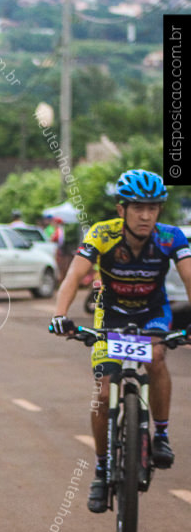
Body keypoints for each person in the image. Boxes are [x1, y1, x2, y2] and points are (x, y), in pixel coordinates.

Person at [50, 169, 191, 513]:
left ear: (160, 211)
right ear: (121, 209)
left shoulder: (171, 238)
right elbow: (74, 276)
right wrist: (59, 314)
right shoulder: (103, 234)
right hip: (110, 313)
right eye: (138, 208)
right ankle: (101, 470)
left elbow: (190, 278)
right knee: (102, 391)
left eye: (153, 208)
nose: (145, 216)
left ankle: (161, 434)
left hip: (152, 313)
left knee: (156, 356)